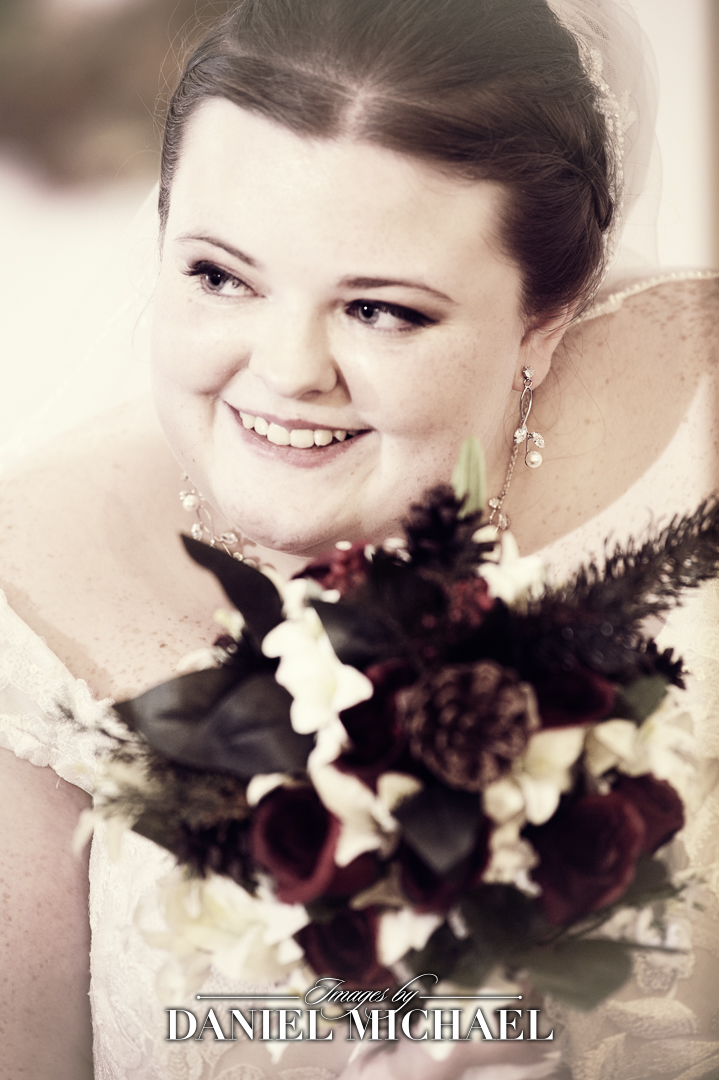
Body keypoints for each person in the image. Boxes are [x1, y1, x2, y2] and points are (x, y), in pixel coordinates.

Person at [0, 0, 717, 1077]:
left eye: (380, 309)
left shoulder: (695, 421)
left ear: (543, 319)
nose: (287, 369)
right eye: (219, 275)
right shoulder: (26, 599)